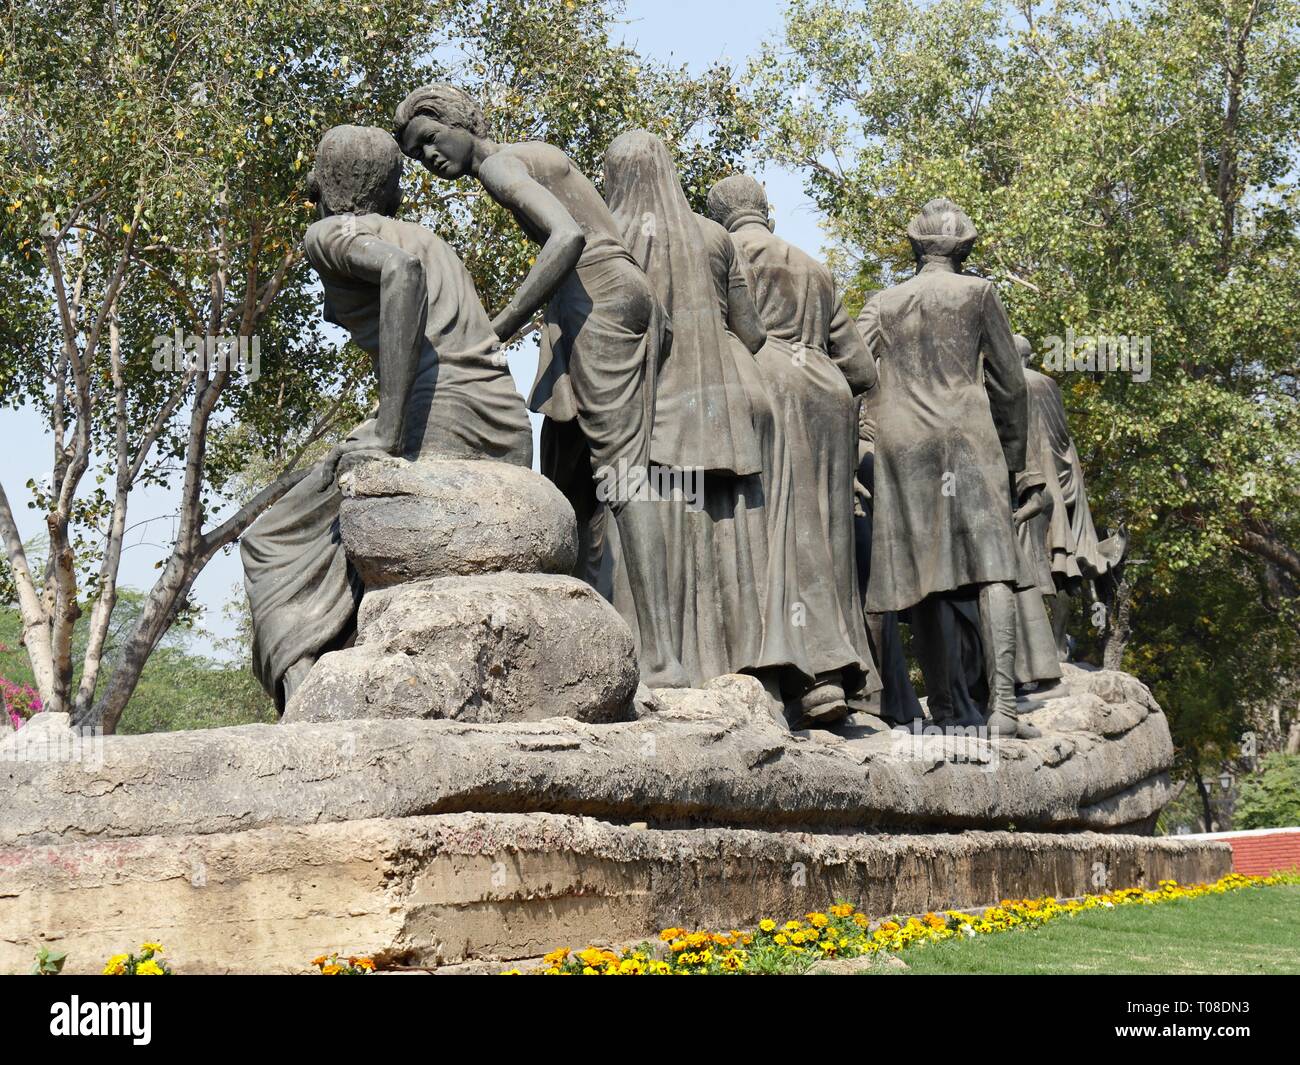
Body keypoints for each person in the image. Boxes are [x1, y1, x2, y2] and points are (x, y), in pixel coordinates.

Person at [394, 84, 688, 687]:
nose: (428, 158)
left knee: (626, 478)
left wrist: (498, 326)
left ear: (458, 121)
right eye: (415, 155)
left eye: (429, 140)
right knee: (578, 468)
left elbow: (567, 237)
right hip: (618, 296)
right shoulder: (536, 152)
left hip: (598, 299)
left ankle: (664, 660)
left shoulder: (500, 164)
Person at [241, 125, 532, 710]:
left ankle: (302, 690)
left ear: (326, 183)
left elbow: (399, 273)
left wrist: (388, 429)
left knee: (268, 539)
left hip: (439, 420)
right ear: (392, 187)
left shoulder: (329, 233)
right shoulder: (431, 238)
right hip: (506, 427)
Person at [858, 198, 1038, 738]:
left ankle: (947, 710)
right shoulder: (980, 294)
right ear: (966, 247)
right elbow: (1009, 384)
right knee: (994, 570)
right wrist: (1015, 463)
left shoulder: (884, 302)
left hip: (904, 446)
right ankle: (1003, 709)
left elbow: (850, 366)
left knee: (925, 574)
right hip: (968, 441)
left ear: (914, 245)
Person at [707, 174, 881, 727]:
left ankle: (785, 675)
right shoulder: (815, 266)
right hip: (827, 397)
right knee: (825, 535)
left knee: (769, 530)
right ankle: (834, 674)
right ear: (767, 211)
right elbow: (861, 368)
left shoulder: (720, 250)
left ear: (719, 215)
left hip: (765, 387)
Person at [601, 130, 771, 684]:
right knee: (717, 537)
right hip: (715, 410)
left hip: (638, 411)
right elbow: (752, 333)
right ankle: (726, 672)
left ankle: (655, 663)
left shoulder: (605, 236)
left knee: (645, 538)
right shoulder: (716, 237)